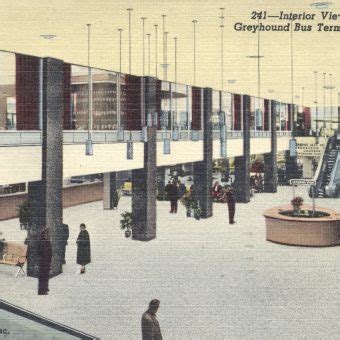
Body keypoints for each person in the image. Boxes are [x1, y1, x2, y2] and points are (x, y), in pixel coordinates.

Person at [38, 228, 52, 295]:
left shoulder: (47, 242)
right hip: (43, 262)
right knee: (43, 276)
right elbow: (39, 252)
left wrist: (49, 260)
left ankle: (46, 287)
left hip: (47, 261)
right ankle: (42, 290)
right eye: (46, 234)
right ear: (43, 234)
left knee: (46, 275)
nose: (47, 235)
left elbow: (50, 252)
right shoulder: (41, 242)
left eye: (47, 234)